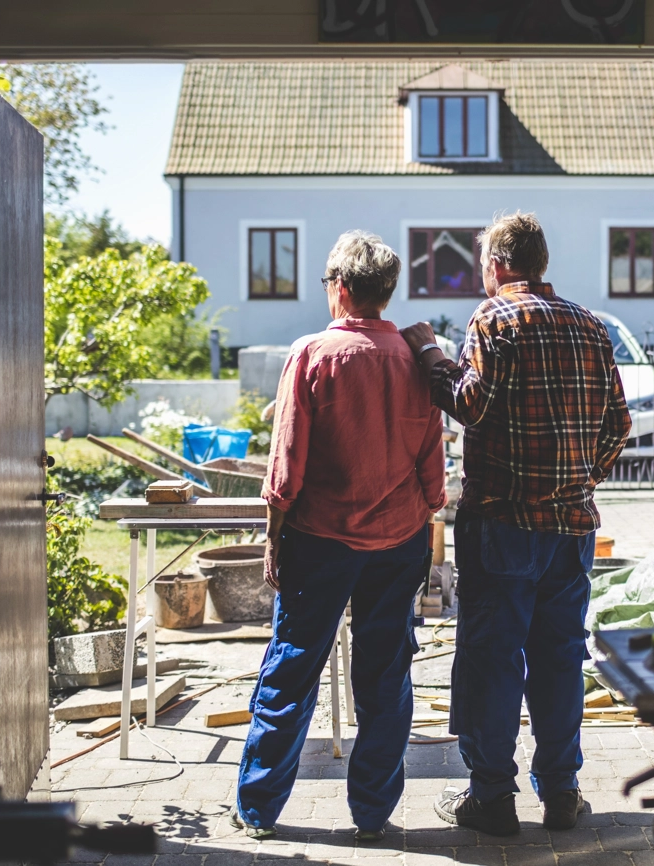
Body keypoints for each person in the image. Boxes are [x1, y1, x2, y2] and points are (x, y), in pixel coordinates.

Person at [399, 212, 631, 836]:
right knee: (558, 660)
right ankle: (561, 795)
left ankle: (493, 799)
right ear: (541, 261)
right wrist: (580, 476)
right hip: (571, 528)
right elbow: (619, 424)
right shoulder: (591, 324)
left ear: (497, 264)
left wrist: (430, 357)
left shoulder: (493, 319)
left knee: (492, 659)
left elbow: (469, 405)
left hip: (503, 522)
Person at [232, 231, 447, 841]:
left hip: (320, 540)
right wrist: (427, 531)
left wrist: (274, 534)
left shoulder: (313, 353)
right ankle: (374, 815)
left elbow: (286, 462)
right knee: (385, 677)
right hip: (399, 539)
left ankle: (257, 808)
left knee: (293, 668)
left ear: (343, 288)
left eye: (329, 283)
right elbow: (434, 466)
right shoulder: (416, 359)